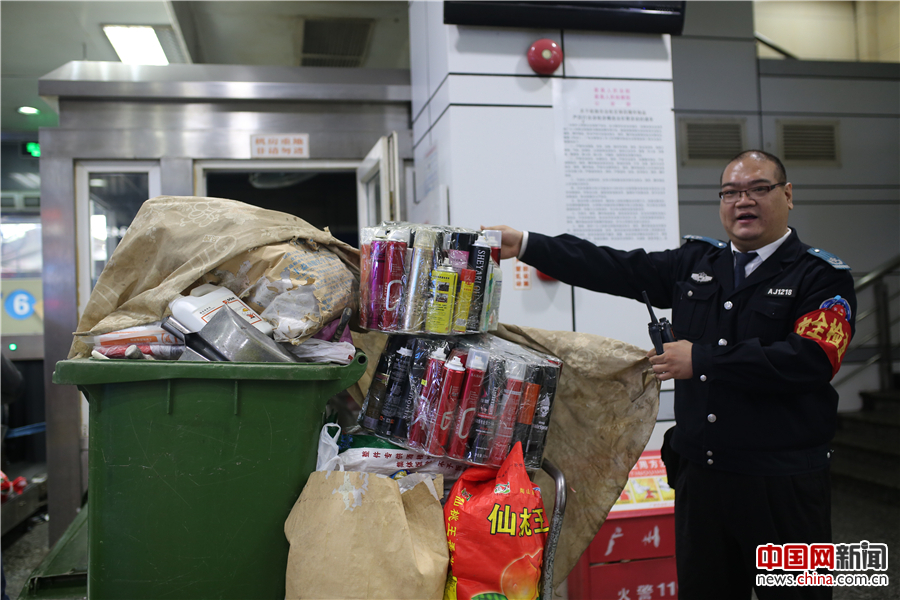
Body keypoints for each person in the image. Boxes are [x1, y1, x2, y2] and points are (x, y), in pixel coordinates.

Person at [486, 150, 856, 600]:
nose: (744, 201)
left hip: (783, 485)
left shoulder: (821, 277)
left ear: (787, 195)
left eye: (759, 189)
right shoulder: (698, 264)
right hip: (703, 481)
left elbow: (812, 358)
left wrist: (703, 360)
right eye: (731, 192)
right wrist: (526, 243)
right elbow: (614, 266)